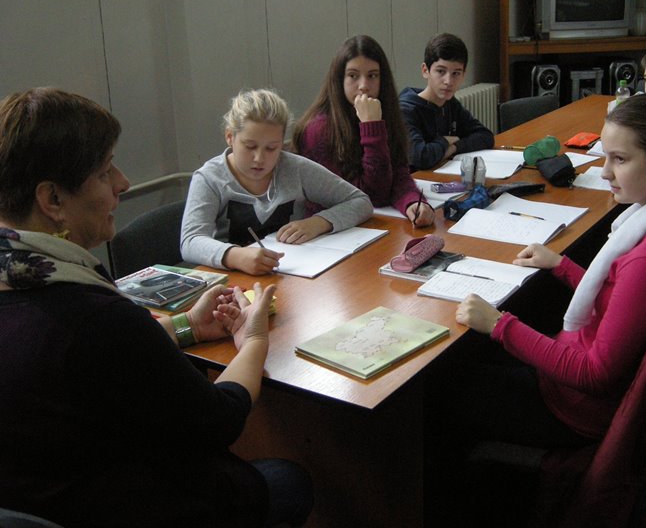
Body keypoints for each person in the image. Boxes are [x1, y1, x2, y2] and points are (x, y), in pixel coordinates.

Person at [0, 87, 313, 528]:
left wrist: (188, 326)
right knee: (287, 480)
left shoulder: (26, 284)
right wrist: (254, 340)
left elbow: (103, 361)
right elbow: (220, 420)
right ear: (52, 200)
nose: (123, 183)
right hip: (120, 504)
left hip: (39, 498)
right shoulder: (94, 317)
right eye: (105, 171)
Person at [426, 93, 646, 521]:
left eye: (619, 159)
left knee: (436, 388)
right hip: (599, 382)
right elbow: (624, 297)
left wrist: (501, 324)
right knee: (470, 354)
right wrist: (561, 266)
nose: (605, 171)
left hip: (581, 408)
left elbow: (594, 373)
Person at [181, 88, 373, 275]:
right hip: (234, 280)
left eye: (271, 148)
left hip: (292, 274)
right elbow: (190, 241)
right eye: (250, 146)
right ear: (230, 137)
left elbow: (360, 202)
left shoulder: (295, 168)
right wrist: (235, 256)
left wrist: (318, 223)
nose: (259, 158)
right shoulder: (209, 178)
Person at [292, 35, 435, 227]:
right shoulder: (318, 129)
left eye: (372, 75)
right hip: (331, 231)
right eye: (353, 76)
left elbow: (399, 174)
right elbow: (371, 196)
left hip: (368, 225)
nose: (364, 86)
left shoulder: (384, 112)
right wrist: (371, 127)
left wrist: (412, 201)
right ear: (339, 79)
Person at [399, 33, 495, 170]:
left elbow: (485, 136)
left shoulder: (450, 103)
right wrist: (445, 141)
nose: (448, 81)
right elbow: (421, 157)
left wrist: (454, 147)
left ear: (463, 74)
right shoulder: (405, 110)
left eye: (456, 73)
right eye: (441, 71)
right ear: (425, 71)